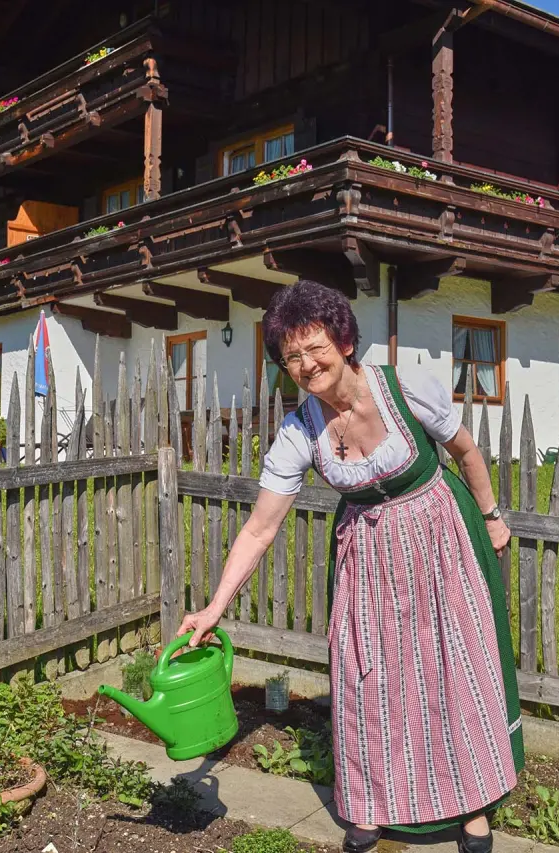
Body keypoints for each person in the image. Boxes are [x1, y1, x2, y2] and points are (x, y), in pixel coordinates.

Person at [178, 279, 523, 853]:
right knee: (370, 675)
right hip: (368, 557)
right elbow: (260, 528)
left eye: (313, 347)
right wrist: (215, 607)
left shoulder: (405, 387)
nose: (306, 364)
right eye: (291, 356)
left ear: (341, 341)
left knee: (452, 666)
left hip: (439, 536)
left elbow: (465, 450)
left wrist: (491, 515)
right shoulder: (300, 431)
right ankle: (372, 803)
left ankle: (474, 808)